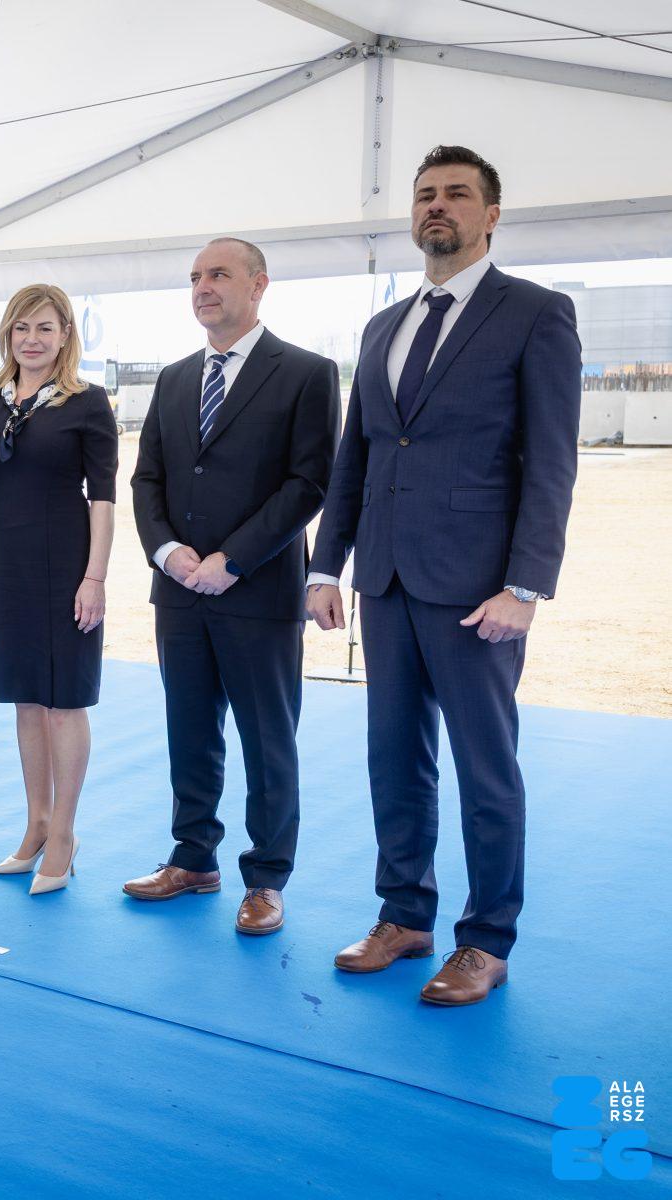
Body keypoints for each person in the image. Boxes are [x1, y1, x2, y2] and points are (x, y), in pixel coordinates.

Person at [307, 146, 581, 1005]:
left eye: (457, 194)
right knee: (394, 760)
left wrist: (525, 587)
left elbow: (551, 463)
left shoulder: (535, 313)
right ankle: (404, 916)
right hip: (385, 580)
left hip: (477, 590)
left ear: (490, 215)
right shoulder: (383, 327)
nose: (438, 206)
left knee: (485, 770)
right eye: (426, 194)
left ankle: (486, 940)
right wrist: (326, 563)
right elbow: (357, 456)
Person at [125, 239, 340, 934]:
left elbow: (308, 483)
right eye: (194, 277)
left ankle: (266, 879)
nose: (203, 287)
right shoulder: (174, 378)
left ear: (258, 284)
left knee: (267, 742)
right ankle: (193, 859)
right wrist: (167, 552)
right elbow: (147, 478)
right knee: (189, 734)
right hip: (179, 592)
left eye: (218, 274)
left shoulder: (306, 373)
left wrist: (233, 560)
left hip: (258, 591)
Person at [0, 285, 117, 893]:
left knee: (64, 701)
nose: (32, 339)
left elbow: (103, 500)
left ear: (65, 335)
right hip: (10, 564)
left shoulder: (87, 402)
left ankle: (65, 835)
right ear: (7, 334)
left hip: (67, 563)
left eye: (45, 328)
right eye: (22, 328)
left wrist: (95, 577)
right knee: (26, 699)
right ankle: (37, 824)